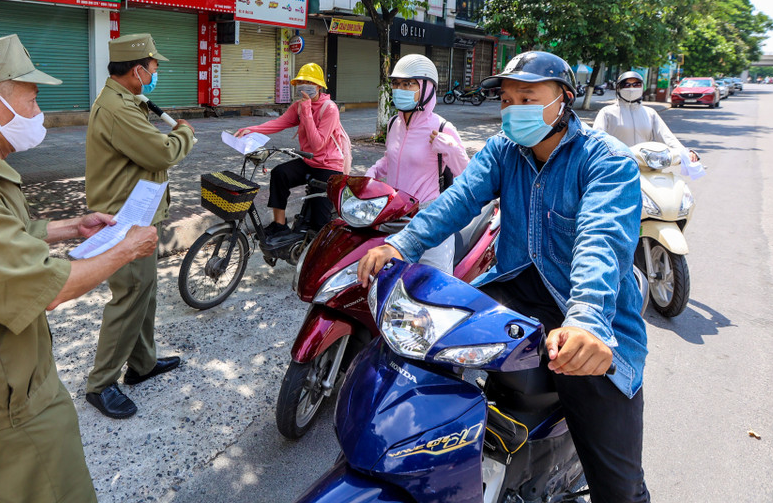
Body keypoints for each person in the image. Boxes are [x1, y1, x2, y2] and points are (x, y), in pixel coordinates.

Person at [358, 51, 650, 503]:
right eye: (508, 100)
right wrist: (402, 244)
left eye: (528, 96)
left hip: (590, 310)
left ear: (564, 101)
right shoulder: (503, 150)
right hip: (515, 284)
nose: (514, 109)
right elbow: (459, 200)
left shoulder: (605, 161)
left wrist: (587, 322)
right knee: (421, 337)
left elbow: (601, 242)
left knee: (619, 485)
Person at [0, 35, 159, 502]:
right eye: (32, 98)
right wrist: (127, 248)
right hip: (12, 405)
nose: (40, 110)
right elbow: (46, 289)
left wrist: (67, 226)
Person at [84, 33, 196, 419]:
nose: (156, 73)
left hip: (136, 215)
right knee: (130, 294)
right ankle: (100, 384)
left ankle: (142, 364)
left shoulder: (127, 101)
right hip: (123, 220)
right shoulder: (118, 109)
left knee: (144, 291)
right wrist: (184, 132)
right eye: (153, 67)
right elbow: (160, 150)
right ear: (137, 70)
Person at [365, 54, 470, 273]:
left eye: (408, 84)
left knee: (432, 287)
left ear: (427, 88)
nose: (399, 89)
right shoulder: (394, 123)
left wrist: (452, 149)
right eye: (396, 83)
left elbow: (468, 176)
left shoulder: (441, 128)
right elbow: (391, 158)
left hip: (429, 217)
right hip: (393, 214)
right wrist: (372, 173)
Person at [234, 62, 345, 234]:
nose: (304, 86)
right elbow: (279, 123)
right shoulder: (298, 106)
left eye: (309, 83)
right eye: (302, 82)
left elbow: (317, 145)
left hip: (328, 166)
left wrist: (307, 109)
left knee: (319, 224)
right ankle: (279, 225)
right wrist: (250, 130)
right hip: (308, 161)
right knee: (280, 173)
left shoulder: (329, 109)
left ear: (318, 86)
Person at [593, 70, 699, 162]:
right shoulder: (607, 112)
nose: (631, 88)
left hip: (646, 165)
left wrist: (685, 152)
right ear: (618, 88)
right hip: (617, 166)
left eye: (636, 84)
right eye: (626, 85)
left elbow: (667, 137)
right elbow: (596, 140)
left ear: (642, 87)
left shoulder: (650, 113)